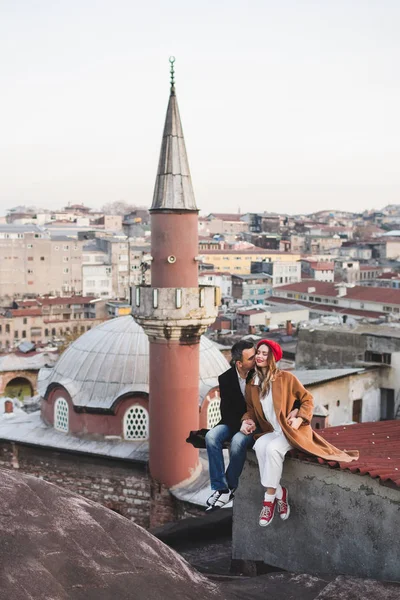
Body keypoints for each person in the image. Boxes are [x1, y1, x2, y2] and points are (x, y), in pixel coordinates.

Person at [241, 339, 359, 527]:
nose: (260, 357)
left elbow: (307, 399)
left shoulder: (286, 378)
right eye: (258, 353)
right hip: (273, 430)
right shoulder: (252, 384)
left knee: (272, 450)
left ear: (272, 358)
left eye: (265, 353)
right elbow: (251, 410)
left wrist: (299, 418)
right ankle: (281, 492)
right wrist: (247, 421)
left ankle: (269, 500)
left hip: (290, 430)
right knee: (259, 445)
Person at [205, 339, 299, 512]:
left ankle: (231, 487)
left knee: (238, 442)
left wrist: (296, 411)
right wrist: (241, 422)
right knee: (210, 436)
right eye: (251, 357)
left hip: (254, 423)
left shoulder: (260, 373)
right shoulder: (225, 379)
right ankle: (221, 487)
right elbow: (226, 411)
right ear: (239, 363)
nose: (256, 358)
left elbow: (292, 393)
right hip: (234, 422)